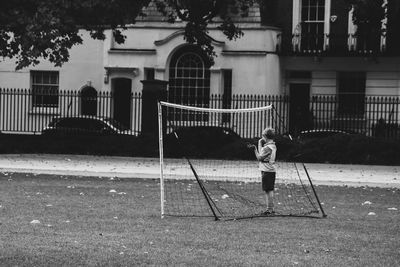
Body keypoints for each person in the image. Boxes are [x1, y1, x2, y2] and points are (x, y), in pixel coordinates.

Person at [248, 127, 277, 215]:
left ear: (265, 136)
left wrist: (255, 149)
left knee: (268, 190)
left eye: (262, 135)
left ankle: (270, 209)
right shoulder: (272, 145)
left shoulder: (267, 147)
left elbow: (260, 157)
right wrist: (259, 143)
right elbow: (262, 152)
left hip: (267, 170)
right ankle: (270, 209)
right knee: (269, 189)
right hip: (270, 170)